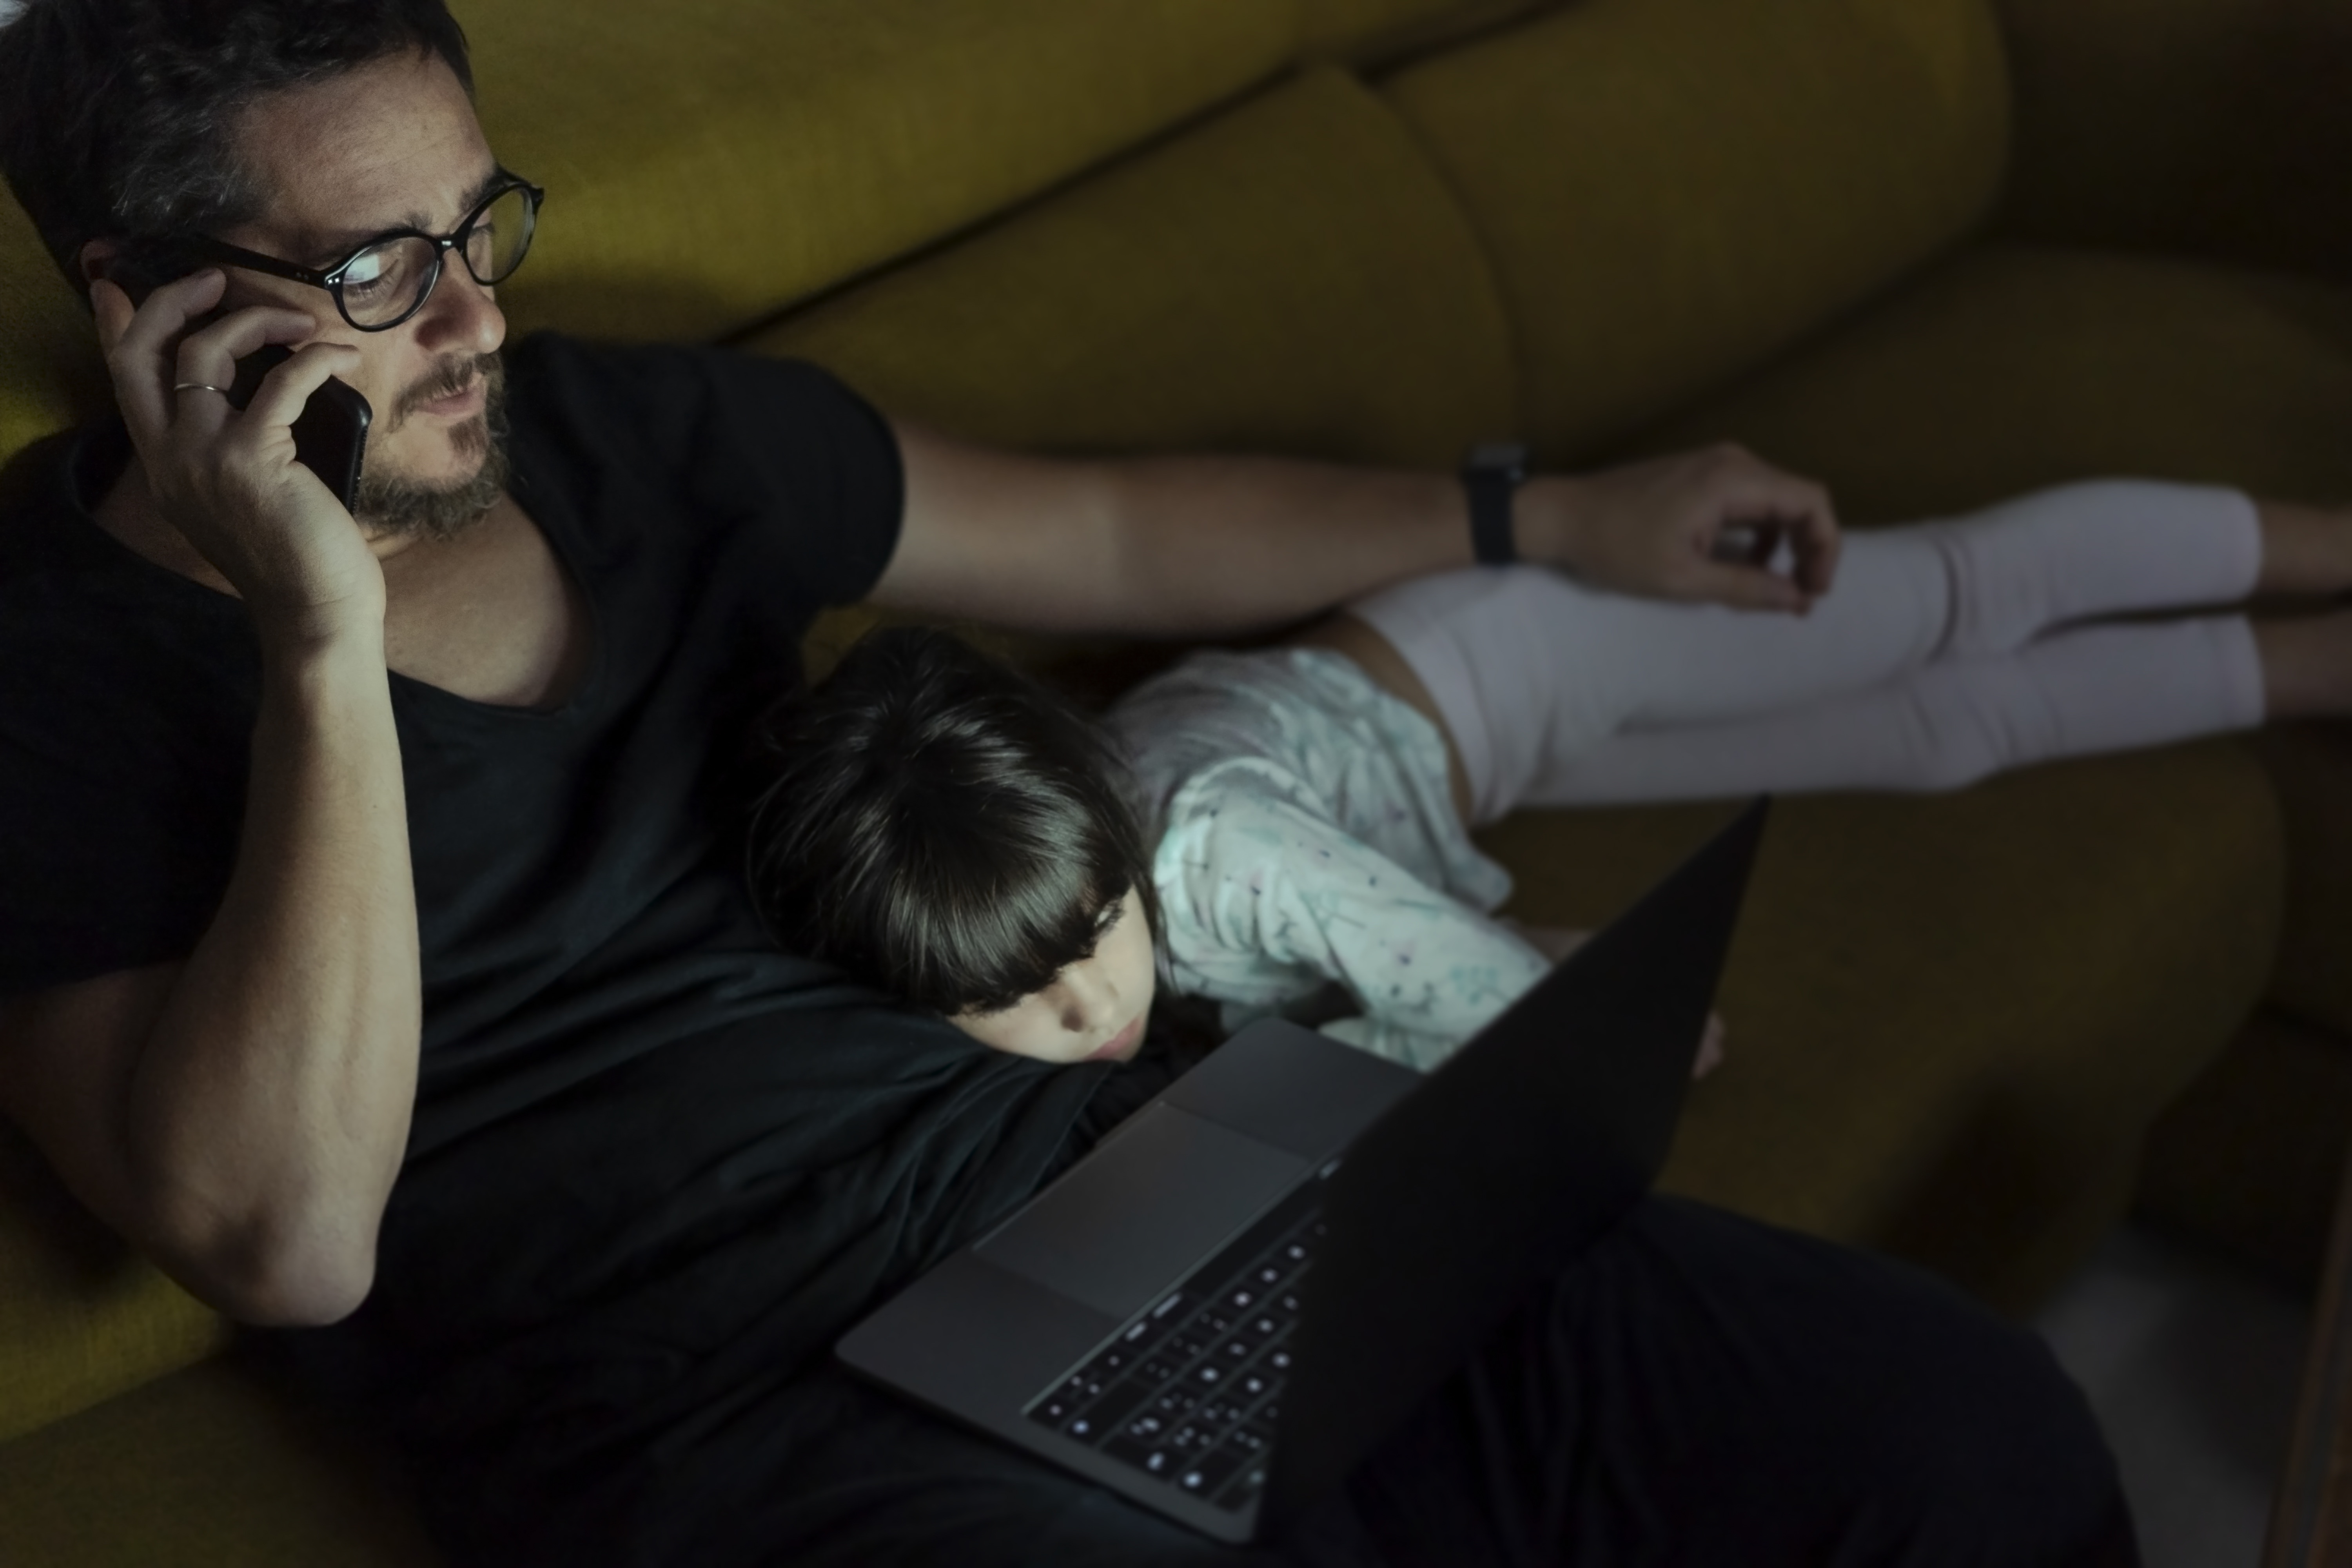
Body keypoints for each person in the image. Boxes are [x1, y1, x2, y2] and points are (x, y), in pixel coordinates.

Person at [0, 1, 2166, 1563]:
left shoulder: (624, 437)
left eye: (487, 227)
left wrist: (1547, 520)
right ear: (151, 310)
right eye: (384, 271)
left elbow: (1112, 533)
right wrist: (316, 631)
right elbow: (280, 1244)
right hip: (758, 1428)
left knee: (1962, 1442)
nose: (476, 323)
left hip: (1176, 1180)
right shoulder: (45, 665)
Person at [752, 463, 2346, 1073]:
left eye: (1094, 942)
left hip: (1499, 657)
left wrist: (1561, 994)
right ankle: (2321, 665)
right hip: (1460, 769)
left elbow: (1503, 1011)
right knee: (1948, 735)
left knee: (1951, 597)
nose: (1093, 1011)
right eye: (1016, 1006)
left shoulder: (1218, 853)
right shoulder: (965, 881)